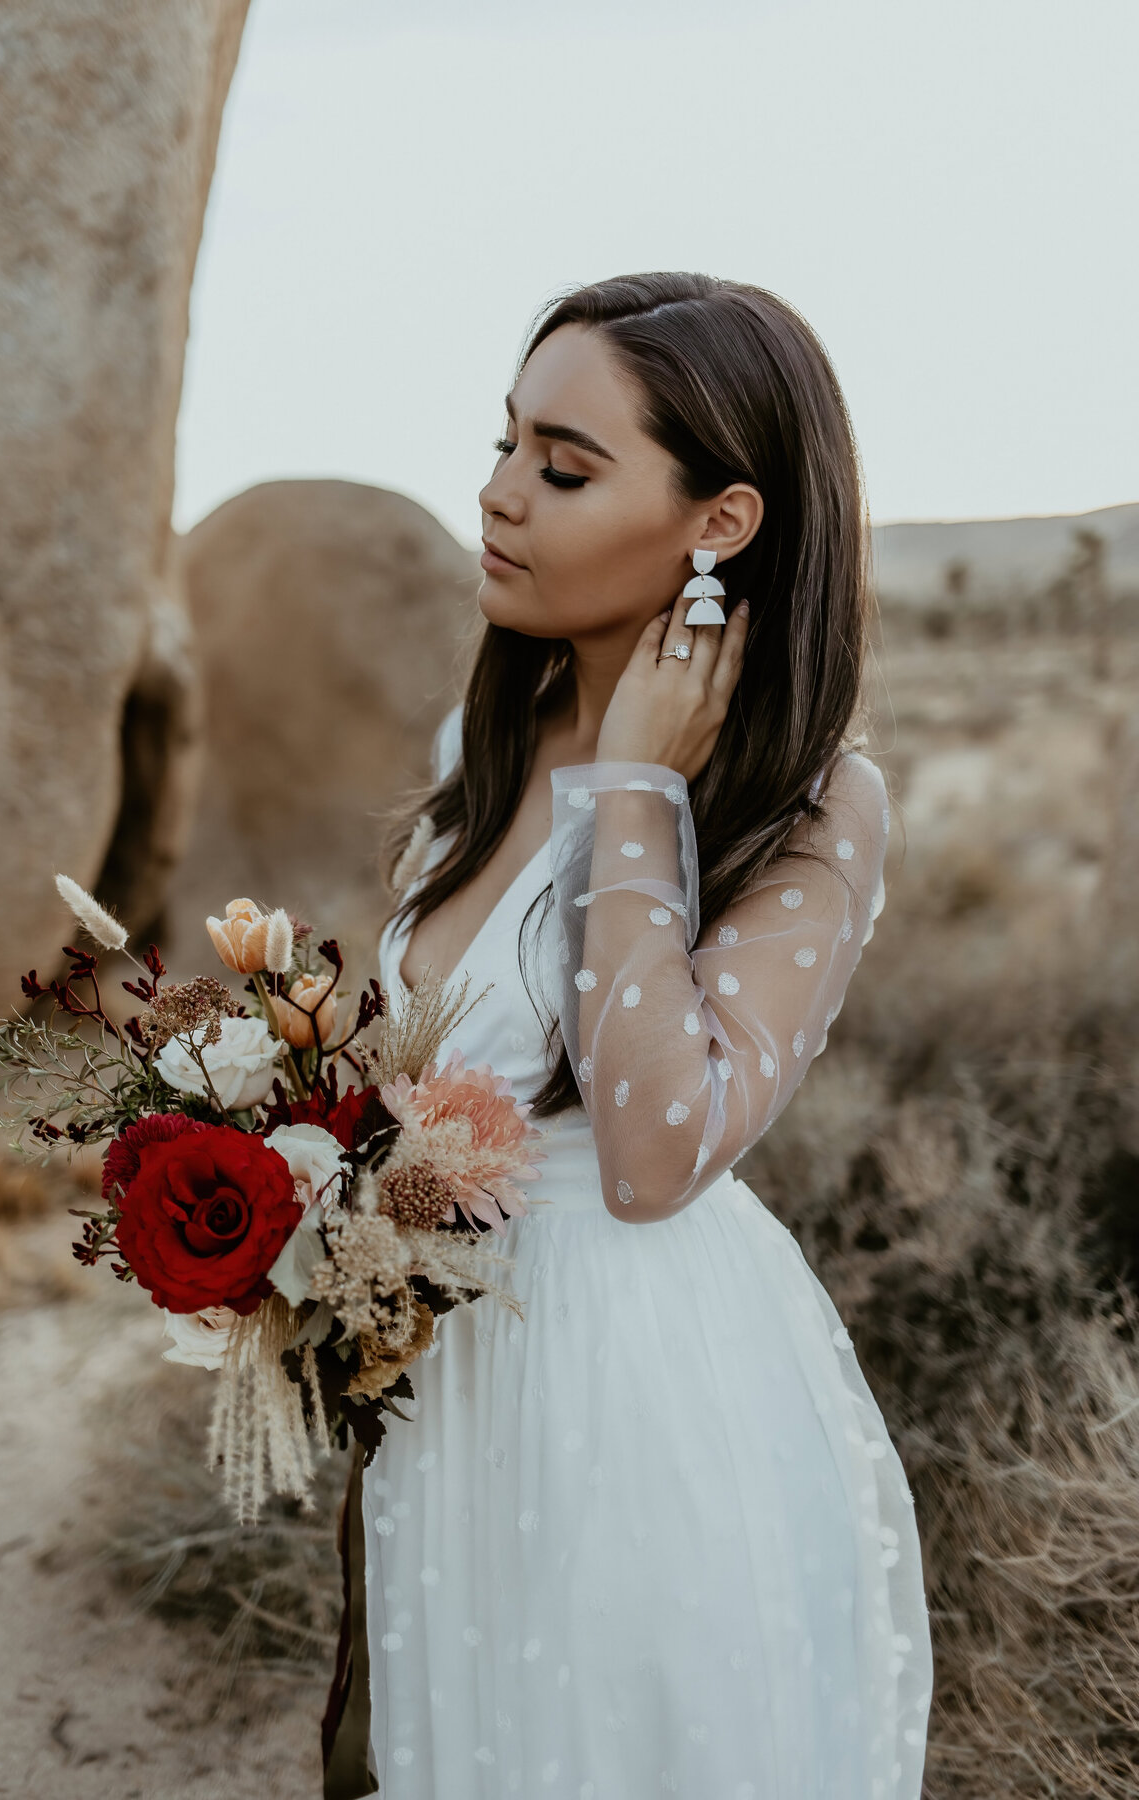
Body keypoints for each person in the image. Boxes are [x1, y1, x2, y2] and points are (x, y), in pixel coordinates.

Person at [362, 272, 933, 1798]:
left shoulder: (817, 804)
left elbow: (648, 1151)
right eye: (502, 444)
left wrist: (639, 793)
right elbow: (419, 1069)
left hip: (634, 1388)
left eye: (562, 465)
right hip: (450, 1371)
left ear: (719, 523)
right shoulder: (481, 735)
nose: (495, 497)